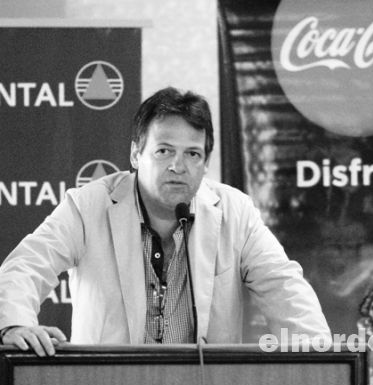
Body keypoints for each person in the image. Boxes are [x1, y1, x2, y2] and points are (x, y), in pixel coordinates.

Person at [0, 87, 331, 356]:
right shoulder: (88, 206)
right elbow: (27, 266)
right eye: (164, 151)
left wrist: (319, 355)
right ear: (135, 154)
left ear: (206, 163)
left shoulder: (235, 211)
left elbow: (282, 285)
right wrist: (14, 325)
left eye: (192, 154)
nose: (178, 166)